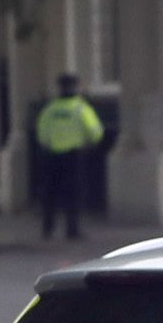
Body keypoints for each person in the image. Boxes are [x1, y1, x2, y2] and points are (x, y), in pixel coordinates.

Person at [30, 73, 104, 241]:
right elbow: (96, 132)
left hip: (52, 156)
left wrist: (48, 144)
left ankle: (47, 229)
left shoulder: (50, 109)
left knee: (50, 194)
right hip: (74, 156)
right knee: (73, 194)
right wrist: (90, 143)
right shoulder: (80, 108)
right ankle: (72, 230)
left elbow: (41, 133)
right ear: (75, 87)